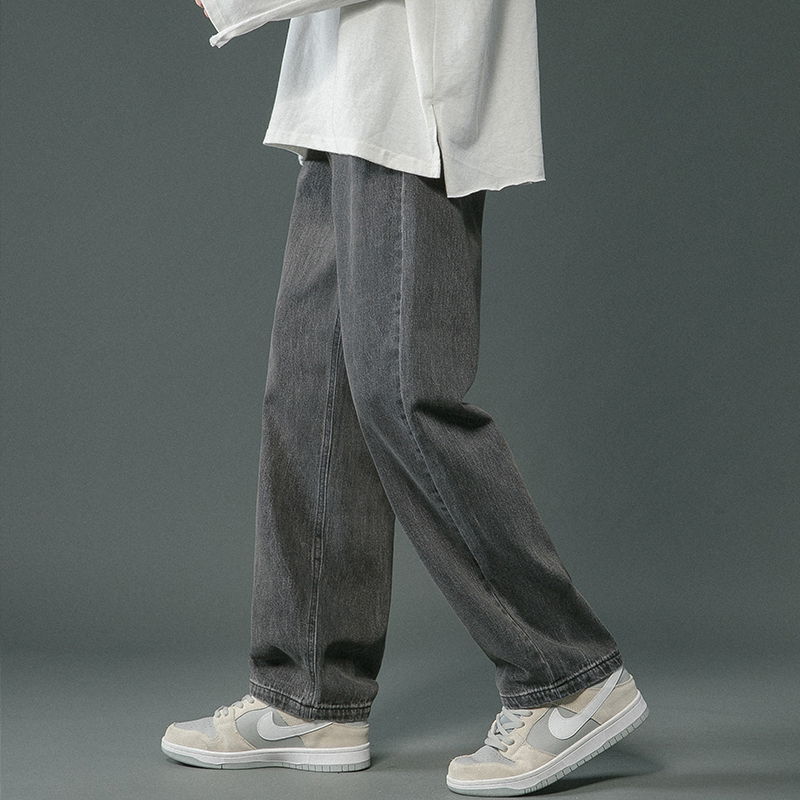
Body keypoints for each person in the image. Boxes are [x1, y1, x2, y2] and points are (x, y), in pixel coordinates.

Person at [161, 0, 648, 795]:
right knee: (312, 393)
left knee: (402, 393)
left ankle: (566, 675)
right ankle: (308, 692)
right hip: (347, 95)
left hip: (413, 92)